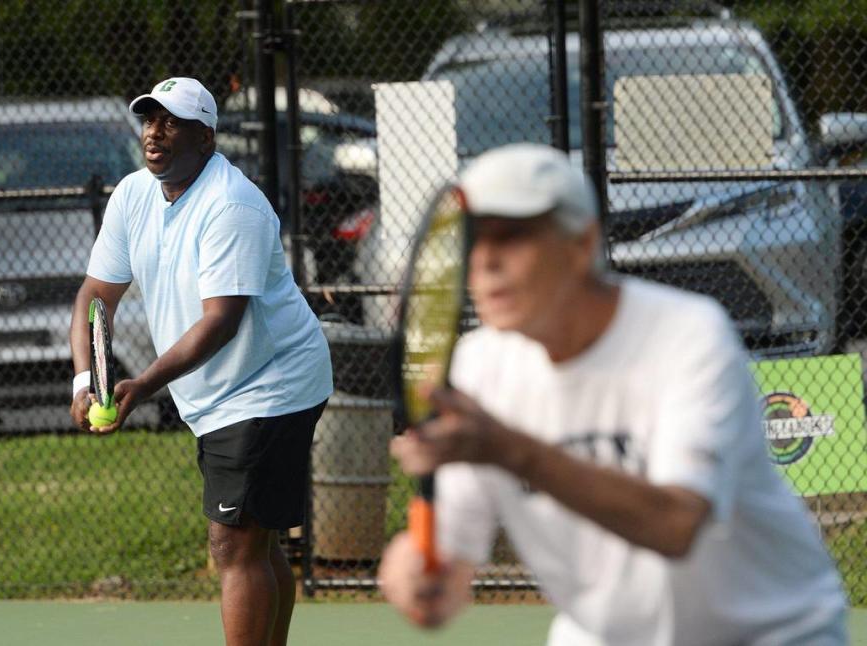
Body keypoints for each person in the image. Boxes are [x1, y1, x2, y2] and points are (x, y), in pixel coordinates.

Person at [379, 143, 847, 645]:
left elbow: (677, 523)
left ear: (581, 245)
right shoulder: (478, 366)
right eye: (473, 239)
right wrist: (420, 574)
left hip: (773, 633)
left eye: (512, 237)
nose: (486, 260)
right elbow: (451, 550)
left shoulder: (688, 335)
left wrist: (512, 450)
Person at [68, 77, 332, 646]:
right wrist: (86, 380)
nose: (154, 133)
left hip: (272, 381)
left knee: (231, 544)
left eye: (171, 122)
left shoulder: (231, 204)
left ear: (206, 136)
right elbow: (96, 297)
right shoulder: (133, 196)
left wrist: (142, 384)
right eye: (149, 120)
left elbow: (221, 321)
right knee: (252, 538)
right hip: (215, 390)